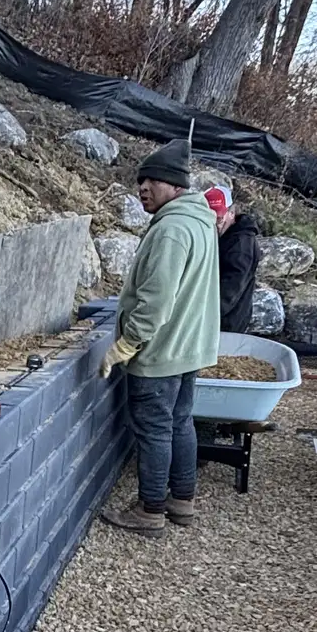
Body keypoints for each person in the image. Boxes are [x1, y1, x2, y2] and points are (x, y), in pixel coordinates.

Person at [99, 136, 221, 536]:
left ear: (175, 185)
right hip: (189, 348)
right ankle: (180, 500)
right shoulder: (199, 222)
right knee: (179, 422)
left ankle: (150, 510)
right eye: (140, 180)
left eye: (151, 180)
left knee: (153, 429)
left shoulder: (171, 231)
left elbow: (156, 299)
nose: (142, 188)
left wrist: (126, 344)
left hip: (161, 351)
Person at [207, 183, 263, 334]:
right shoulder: (224, 236)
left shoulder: (241, 248)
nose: (214, 225)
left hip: (225, 324)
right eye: (208, 220)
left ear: (231, 214)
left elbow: (228, 294)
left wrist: (203, 319)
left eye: (218, 219)